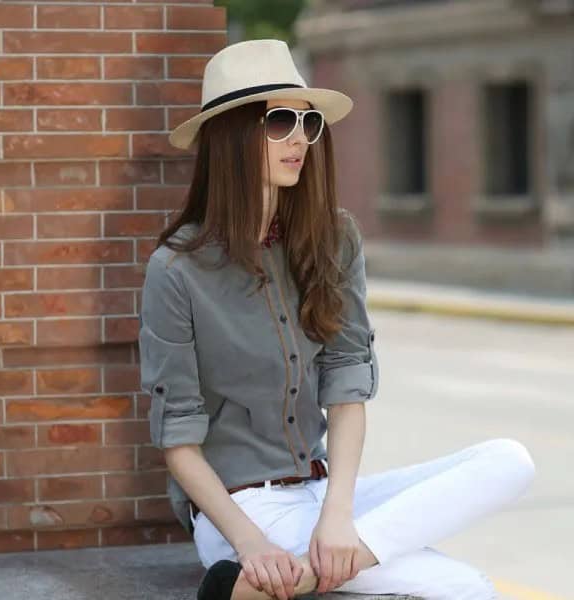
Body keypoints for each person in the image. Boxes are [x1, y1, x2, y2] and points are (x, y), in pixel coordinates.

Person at [138, 38, 536, 600]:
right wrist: (251, 544)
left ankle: (275, 584)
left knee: (508, 462)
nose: (300, 138)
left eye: (307, 122)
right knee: (464, 587)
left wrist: (338, 518)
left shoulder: (333, 239)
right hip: (240, 512)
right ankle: (255, 573)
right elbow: (178, 438)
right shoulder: (177, 271)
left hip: (323, 496)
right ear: (231, 137)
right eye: (280, 121)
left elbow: (347, 383)